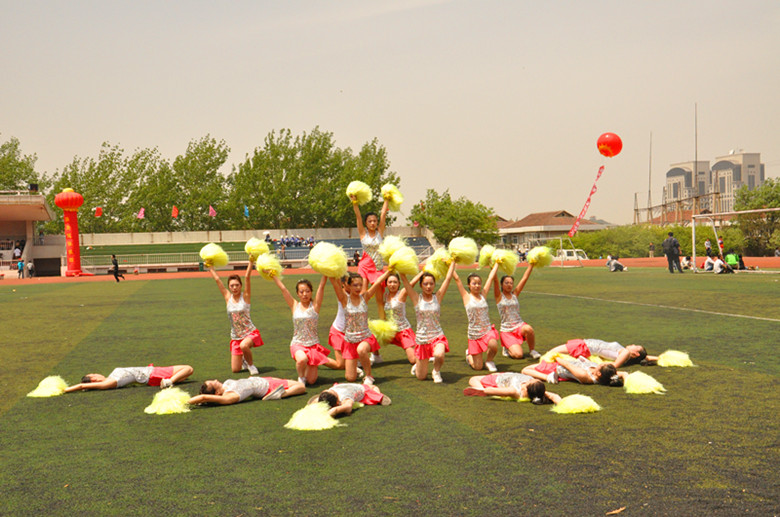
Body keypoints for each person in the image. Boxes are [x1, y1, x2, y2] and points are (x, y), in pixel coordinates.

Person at [269, 273, 337, 386]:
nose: (304, 294)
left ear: (311, 292)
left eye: (307, 291)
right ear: (297, 293)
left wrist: (325, 274)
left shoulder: (315, 305)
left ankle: (310, 366)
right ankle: (300, 378)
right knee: (302, 360)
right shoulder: (294, 305)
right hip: (298, 344)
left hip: (313, 346)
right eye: (301, 292)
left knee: (311, 381)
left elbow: (321, 287)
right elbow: (283, 289)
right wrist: (273, 276)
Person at [399, 261, 457, 383]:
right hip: (422, 340)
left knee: (439, 354)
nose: (429, 286)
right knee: (421, 377)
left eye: (431, 283)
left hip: (437, 336)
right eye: (425, 284)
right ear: (421, 285)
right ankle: (417, 366)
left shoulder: (438, 297)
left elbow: (447, 279)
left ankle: (436, 371)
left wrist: (453, 262)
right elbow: (405, 282)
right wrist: (399, 267)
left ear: (435, 284)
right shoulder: (416, 298)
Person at [208, 260, 263, 375]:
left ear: (241, 286)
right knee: (235, 369)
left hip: (249, 332)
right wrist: (211, 267)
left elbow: (247, 277)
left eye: (237, 285)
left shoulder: (246, 296)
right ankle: (244, 359)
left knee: (244, 345)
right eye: (232, 286)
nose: (234, 288)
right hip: (236, 336)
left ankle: (251, 365)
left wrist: (251, 262)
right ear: (229, 287)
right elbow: (217, 280)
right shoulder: (228, 297)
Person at [330, 273, 385, 385]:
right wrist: (330, 271)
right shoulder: (344, 299)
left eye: (360, 285)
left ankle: (369, 376)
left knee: (361, 350)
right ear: (348, 286)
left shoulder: (365, 297)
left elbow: (378, 282)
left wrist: (389, 270)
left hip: (365, 337)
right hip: (350, 341)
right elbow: (335, 284)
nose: (358, 288)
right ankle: (356, 367)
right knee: (350, 378)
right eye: (355, 285)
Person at [453, 265, 500, 372]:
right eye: (474, 283)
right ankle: (468, 355)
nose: (477, 286)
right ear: (469, 285)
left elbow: (490, 277)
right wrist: (450, 264)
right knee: (478, 367)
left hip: (486, 330)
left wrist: (496, 263)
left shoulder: (483, 294)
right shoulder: (466, 297)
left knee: (493, 344)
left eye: (479, 283)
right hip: (474, 334)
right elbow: (457, 279)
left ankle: (489, 361)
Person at [493, 263, 541, 360]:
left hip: (519, 326)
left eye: (511, 283)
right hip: (507, 330)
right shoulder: (499, 296)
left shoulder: (515, 294)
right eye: (506, 283)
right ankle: (506, 347)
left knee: (529, 329)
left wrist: (531, 265)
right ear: (501, 284)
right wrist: (493, 265)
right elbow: (495, 280)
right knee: (518, 355)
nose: (509, 285)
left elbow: (524, 278)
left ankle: (532, 350)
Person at [378, 269, 420, 366]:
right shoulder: (386, 295)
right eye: (390, 282)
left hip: (403, 331)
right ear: (386, 284)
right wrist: (388, 271)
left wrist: (423, 271)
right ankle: (376, 357)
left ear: (399, 284)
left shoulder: (402, 293)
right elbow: (377, 282)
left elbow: (412, 283)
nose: (392, 284)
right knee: (372, 338)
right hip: (390, 331)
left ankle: (426, 354)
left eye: (395, 282)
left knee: (413, 360)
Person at [64, 364, 194, 392]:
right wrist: (65, 389)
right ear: (93, 379)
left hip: (151, 373)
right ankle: (168, 381)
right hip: (153, 374)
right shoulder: (109, 382)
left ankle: (170, 380)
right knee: (188, 369)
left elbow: (83, 386)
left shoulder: (110, 378)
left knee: (183, 377)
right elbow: (82, 386)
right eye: (94, 374)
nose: (97, 373)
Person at [188, 377, 305, 406]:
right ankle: (282, 394)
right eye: (214, 383)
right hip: (267, 387)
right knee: (301, 386)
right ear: (217, 393)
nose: (216, 380)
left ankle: (280, 392)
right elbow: (204, 397)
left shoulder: (226, 385)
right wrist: (184, 403)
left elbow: (203, 397)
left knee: (291, 382)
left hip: (261, 380)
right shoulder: (230, 396)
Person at [544, 339, 658, 368]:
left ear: (636, 353)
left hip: (584, 347)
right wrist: (659, 358)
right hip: (585, 347)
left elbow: (615, 365)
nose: (633, 344)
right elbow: (645, 357)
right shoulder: (626, 354)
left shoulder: (626, 353)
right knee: (552, 355)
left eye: (636, 346)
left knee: (551, 353)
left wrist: (597, 365)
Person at [522, 357, 627, 387]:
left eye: (601, 365)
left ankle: (548, 377)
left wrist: (556, 357)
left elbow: (567, 365)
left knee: (525, 370)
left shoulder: (584, 375)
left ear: (599, 374)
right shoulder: (607, 374)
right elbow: (623, 374)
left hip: (555, 368)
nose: (600, 364)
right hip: (570, 363)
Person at [463, 373, 561, 405]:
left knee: (473, 379)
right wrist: (562, 403)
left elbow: (493, 391)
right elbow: (554, 396)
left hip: (496, 380)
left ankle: (479, 388)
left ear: (526, 389)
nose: (531, 379)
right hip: (507, 376)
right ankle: (480, 388)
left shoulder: (515, 391)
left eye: (530, 381)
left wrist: (484, 391)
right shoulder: (537, 390)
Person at [312, 383, 391, 417]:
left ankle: (376, 392)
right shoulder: (327, 392)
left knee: (374, 392)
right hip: (346, 387)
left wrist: (335, 410)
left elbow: (348, 407)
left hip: (362, 390)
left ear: (337, 403)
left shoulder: (345, 398)